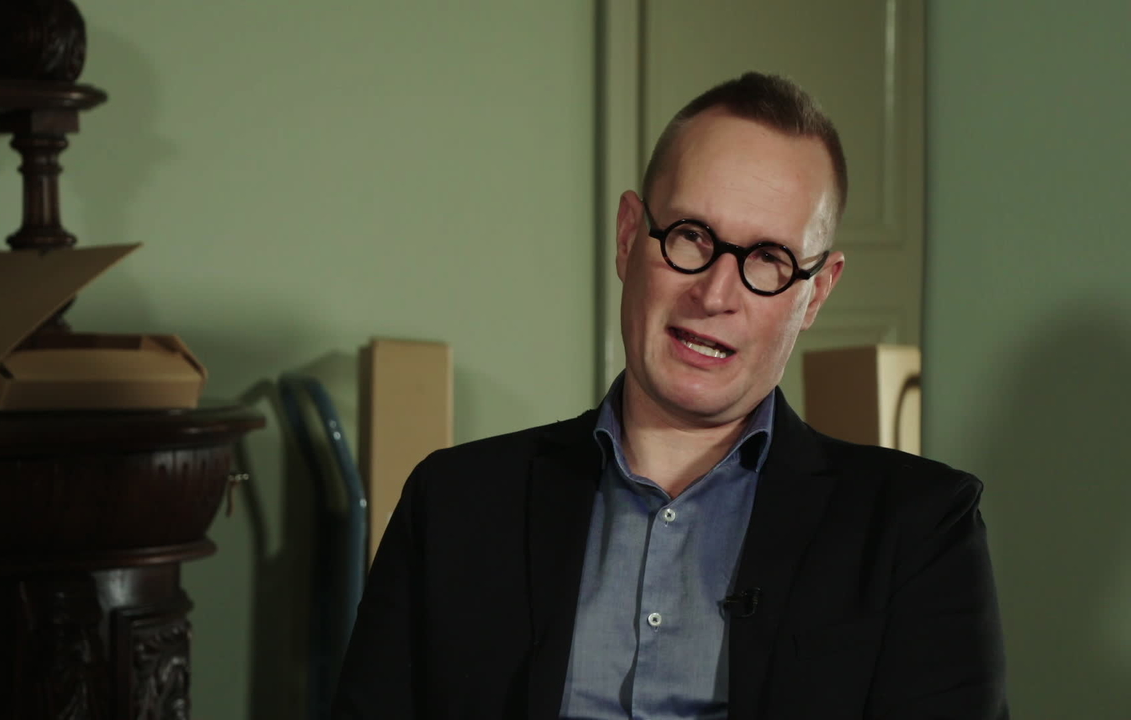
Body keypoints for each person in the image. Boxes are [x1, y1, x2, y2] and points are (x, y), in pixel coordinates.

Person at [333, 72, 1008, 720]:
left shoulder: (919, 531)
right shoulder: (452, 505)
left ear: (815, 294)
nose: (714, 295)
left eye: (768, 260)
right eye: (691, 237)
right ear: (629, 236)